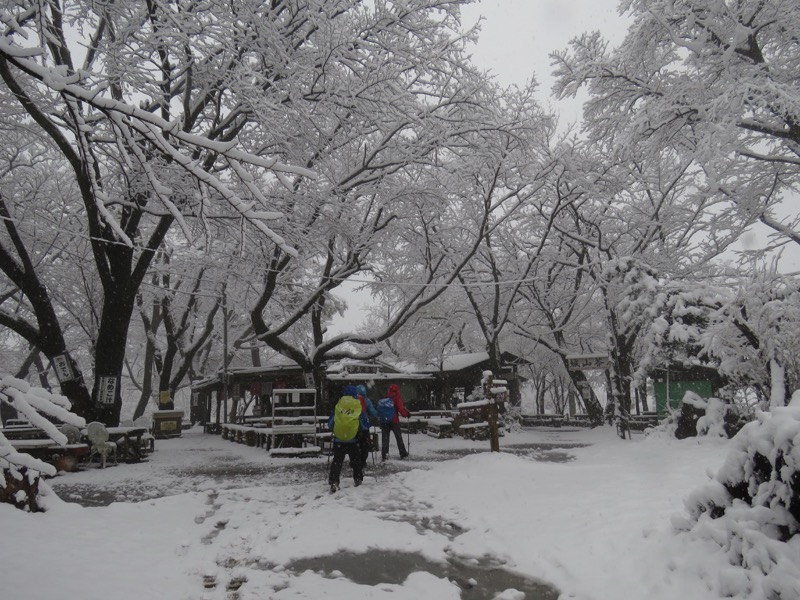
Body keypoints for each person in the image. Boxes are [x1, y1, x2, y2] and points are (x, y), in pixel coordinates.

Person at [327, 385, 367, 493]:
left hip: (339, 439)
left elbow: (330, 423)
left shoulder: (339, 405)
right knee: (356, 459)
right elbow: (364, 424)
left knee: (337, 461)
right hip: (353, 439)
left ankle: (334, 481)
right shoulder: (356, 405)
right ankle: (358, 478)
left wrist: (336, 429)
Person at [379, 383, 410, 461]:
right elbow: (400, 408)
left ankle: (384, 455)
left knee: (385, 439)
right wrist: (406, 414)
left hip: (385, 421)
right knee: (398, 437)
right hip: (394, 420)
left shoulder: (387, 396)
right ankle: (403, 453)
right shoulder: (397, 396)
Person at [355, 384, 378, 470]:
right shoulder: (366, 401)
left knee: (355, 445)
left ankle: (355, 461)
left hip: (354, 426)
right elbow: (373, 413)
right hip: (364, 426)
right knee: (364, 444)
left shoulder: (353, 400)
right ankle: (363, 461)